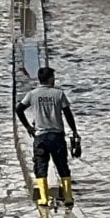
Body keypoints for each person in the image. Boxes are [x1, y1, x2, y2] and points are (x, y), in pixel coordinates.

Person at [15, 67, 80, 207]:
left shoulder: (32, 94)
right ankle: (68, 197)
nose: (54, 79)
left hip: (40, 137)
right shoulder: (59, 94)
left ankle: (44, 199)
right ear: (50, 78)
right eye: (53, 77)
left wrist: (28, 126)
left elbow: (19, 109)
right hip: (57, 137)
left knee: (40, 167)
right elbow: (68, 114)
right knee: (62, 166)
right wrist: (74, 131)